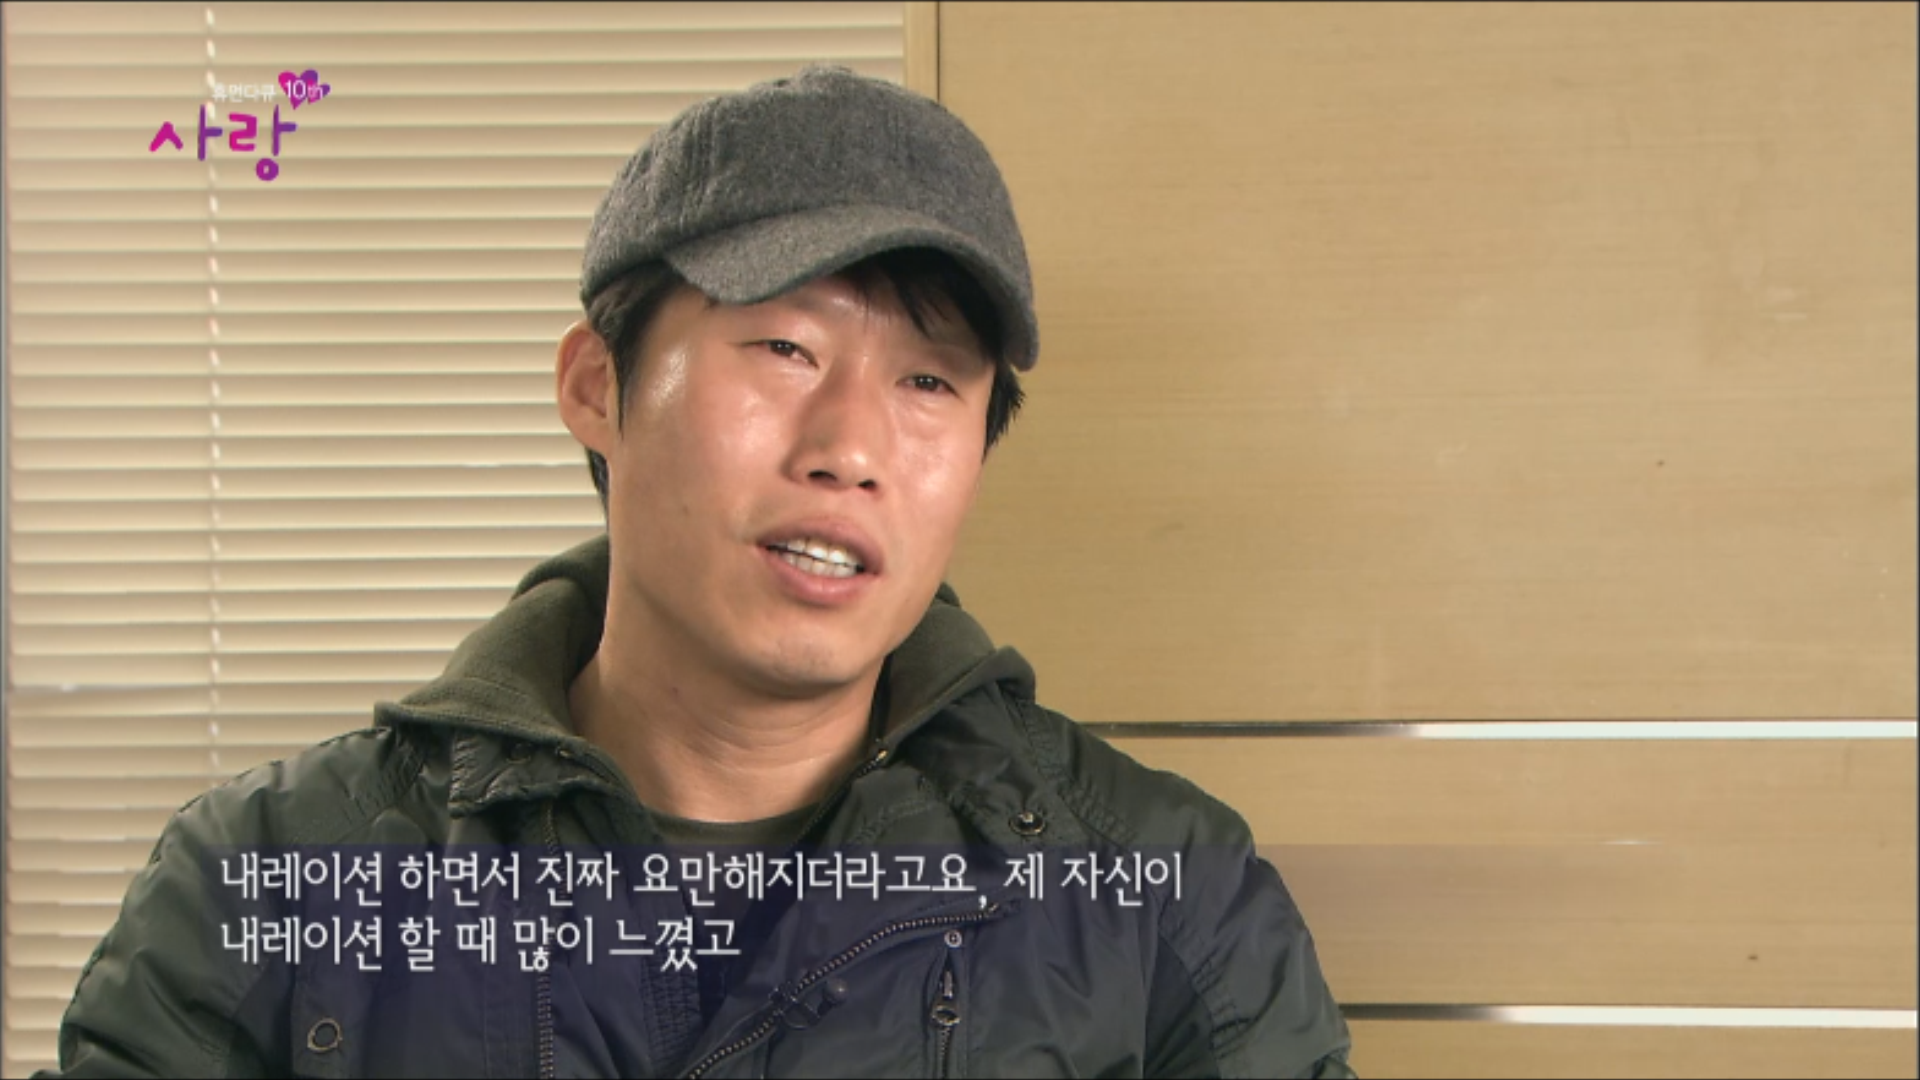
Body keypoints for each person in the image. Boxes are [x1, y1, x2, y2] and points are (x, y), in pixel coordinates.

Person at [46, 66, 1354, 1079]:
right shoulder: (262, 882)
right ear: (596, 386)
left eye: (927, 383)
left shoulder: (1170, 902)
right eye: (784, 349)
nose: (850, 449)